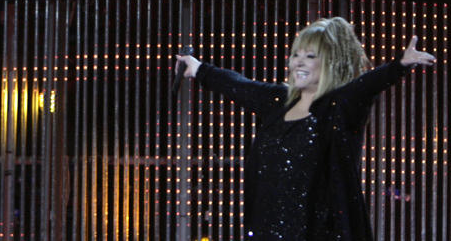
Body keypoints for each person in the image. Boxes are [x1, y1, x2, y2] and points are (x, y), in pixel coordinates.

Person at [175, 17, 436, 241]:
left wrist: (398, 65)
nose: (298, 62)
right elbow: (240, 86)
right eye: (296, 54)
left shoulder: (338, 107)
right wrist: (199, 69)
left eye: (310, 56)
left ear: (331, 62)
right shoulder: (279, 101)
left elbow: (365, 87)